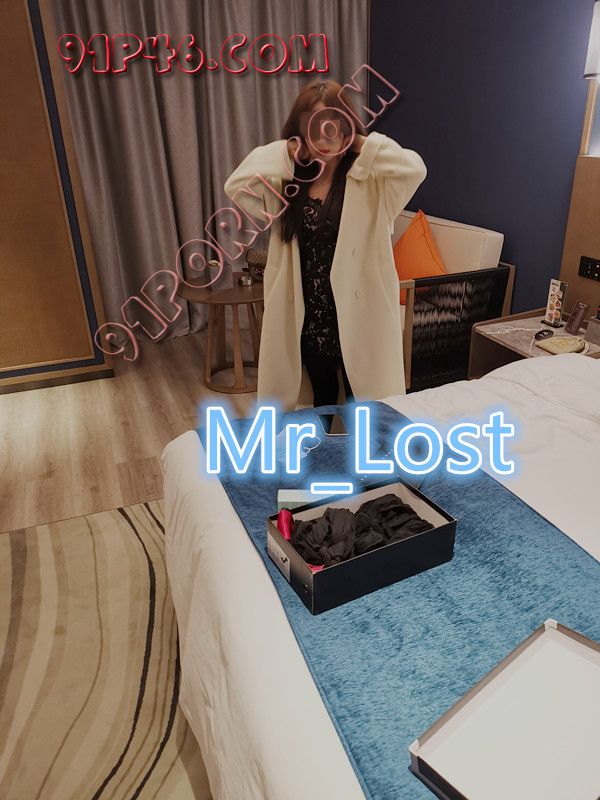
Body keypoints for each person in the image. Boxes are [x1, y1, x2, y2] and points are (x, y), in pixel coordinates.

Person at [224, 79, 426, 411]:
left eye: (332, 128)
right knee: (321, 404)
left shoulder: (372, 181)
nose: (323, 140)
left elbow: (414, 168)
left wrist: (360, 143)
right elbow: (236, 185)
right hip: (309, 317)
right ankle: (324, 444)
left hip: (358, 315)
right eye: (313, 129)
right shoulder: (287, 183)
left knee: (364, 407)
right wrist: (286, 151)